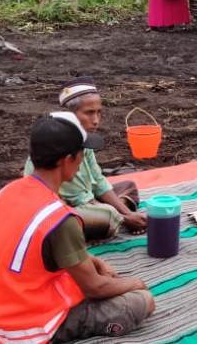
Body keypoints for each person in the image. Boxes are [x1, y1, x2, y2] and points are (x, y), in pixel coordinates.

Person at [0, 112, 155, 342]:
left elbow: (45, 250)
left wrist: (94, 262)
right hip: (23, 329)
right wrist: (135, 283)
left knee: (96, 270)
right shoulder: (60, 219)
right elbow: (95, 288)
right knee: (142, 301)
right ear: (68, 159)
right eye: (82, 154)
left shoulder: (9, 191)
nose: (82, 161)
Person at [24, 77, 146, 241]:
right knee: (107, 217)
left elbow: (97, 180)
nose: (96, 120)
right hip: (59, 207)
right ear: (71, 114)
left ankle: (115, 216)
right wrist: (123, 216)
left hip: (84, 198)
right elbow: (77, 197)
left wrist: (127, 213)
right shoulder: (60, 144)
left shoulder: (84, 139)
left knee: (129, 186)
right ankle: (117, 221)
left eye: (98, 112)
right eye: (89, 113)